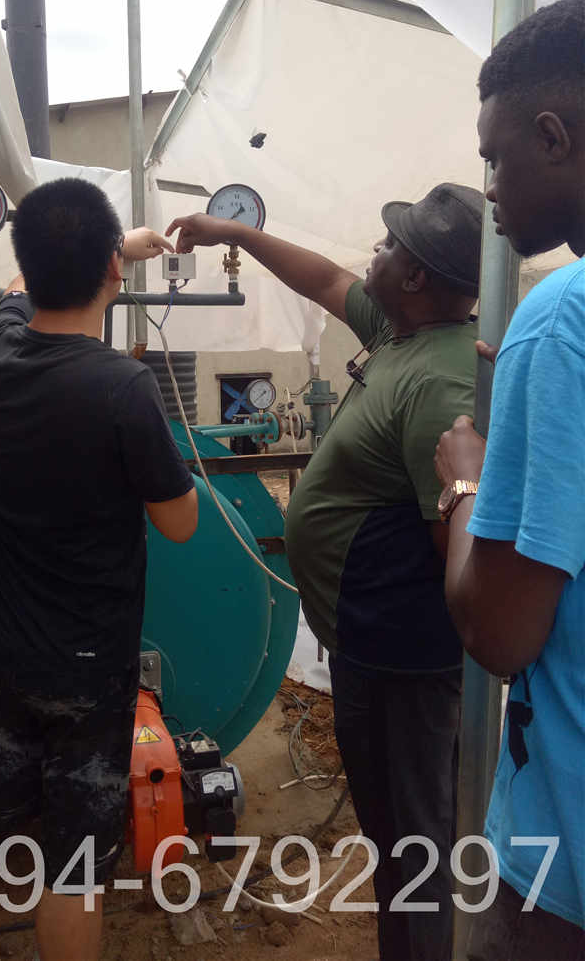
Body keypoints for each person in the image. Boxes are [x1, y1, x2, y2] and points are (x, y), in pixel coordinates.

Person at [167, 183, 484, 961]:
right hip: (368, 645)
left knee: (418, 843)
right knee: (393, 834)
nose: (373, 252)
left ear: (416, 278)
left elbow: (457, 548)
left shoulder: (441, 379)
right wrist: (232, 233)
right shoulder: (402, 331)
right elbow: (322, 278)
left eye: (390, 245)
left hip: (406, 665)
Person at [0, 178, 198, 961]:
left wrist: (115, 247)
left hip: (3, 648)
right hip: (90, 668)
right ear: (114, 269)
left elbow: (18, 291)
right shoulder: (125, 387)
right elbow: (179, 523)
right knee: (74, 865)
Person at [435, 0, 585, 959]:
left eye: (494, 158)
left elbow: (497, 632)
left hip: (562, 867)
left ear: (552, 137)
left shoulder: (559, 319)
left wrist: (468, 483)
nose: (487, 185)